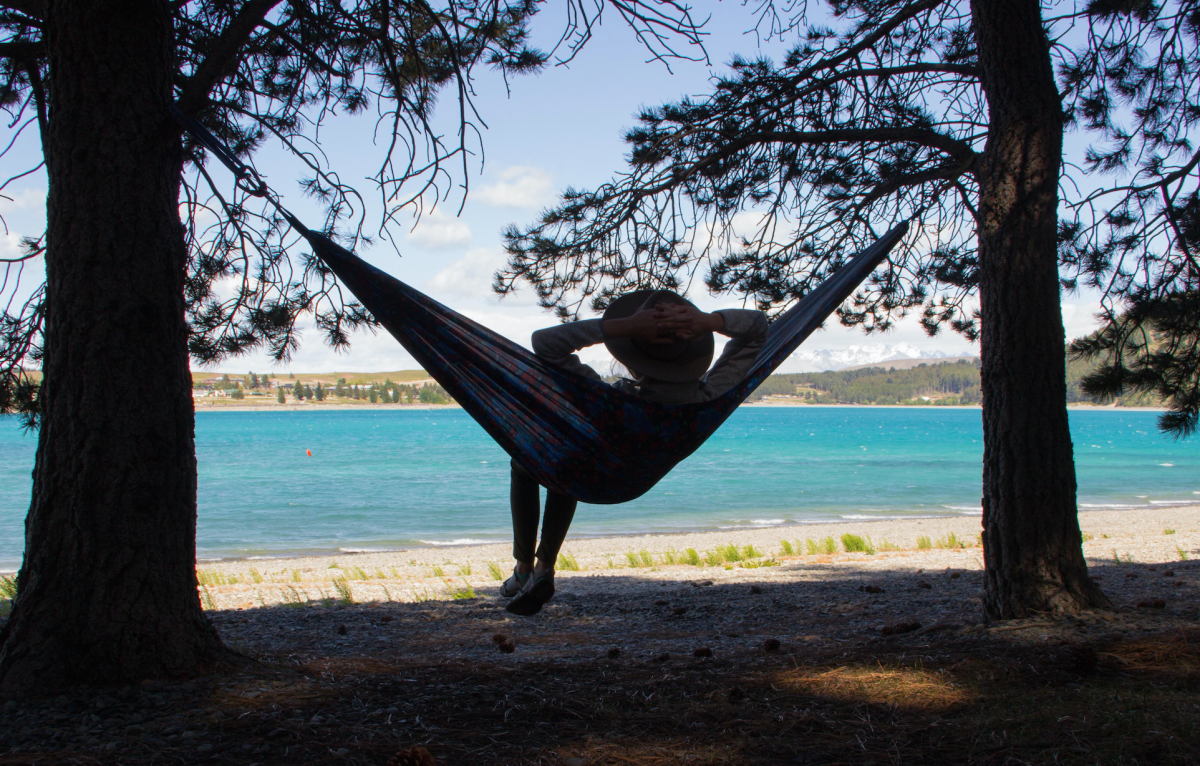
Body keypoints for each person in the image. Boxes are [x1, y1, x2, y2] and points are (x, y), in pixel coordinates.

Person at [501, 289, 768, 615]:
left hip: (592, 472)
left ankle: (527, 567)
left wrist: (624, 326)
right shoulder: (706, 400)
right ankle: (542, 569)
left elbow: (544, 343)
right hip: (636, 480)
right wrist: (709, 321)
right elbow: (757, 330)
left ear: (632, 357)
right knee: (570, 459)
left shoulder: (608, 401)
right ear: (691, 354)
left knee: (530, 462)